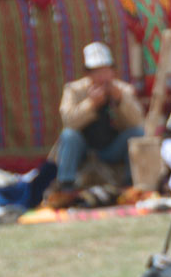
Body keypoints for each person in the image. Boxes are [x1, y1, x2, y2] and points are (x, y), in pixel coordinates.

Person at [55, 42, 144, 190]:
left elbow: (137, 122)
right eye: (96, 71)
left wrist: (120, 101)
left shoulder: (124, 90)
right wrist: (91, 104)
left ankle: (132, 183)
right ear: (87, 74)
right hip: (84, 147)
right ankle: (66, 184)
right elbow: (68, 122)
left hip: (111, 148)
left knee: (137, 134)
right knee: (69, 135)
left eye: (105, 70)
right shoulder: (73, 90)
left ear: (112, 71)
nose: (102, 76)